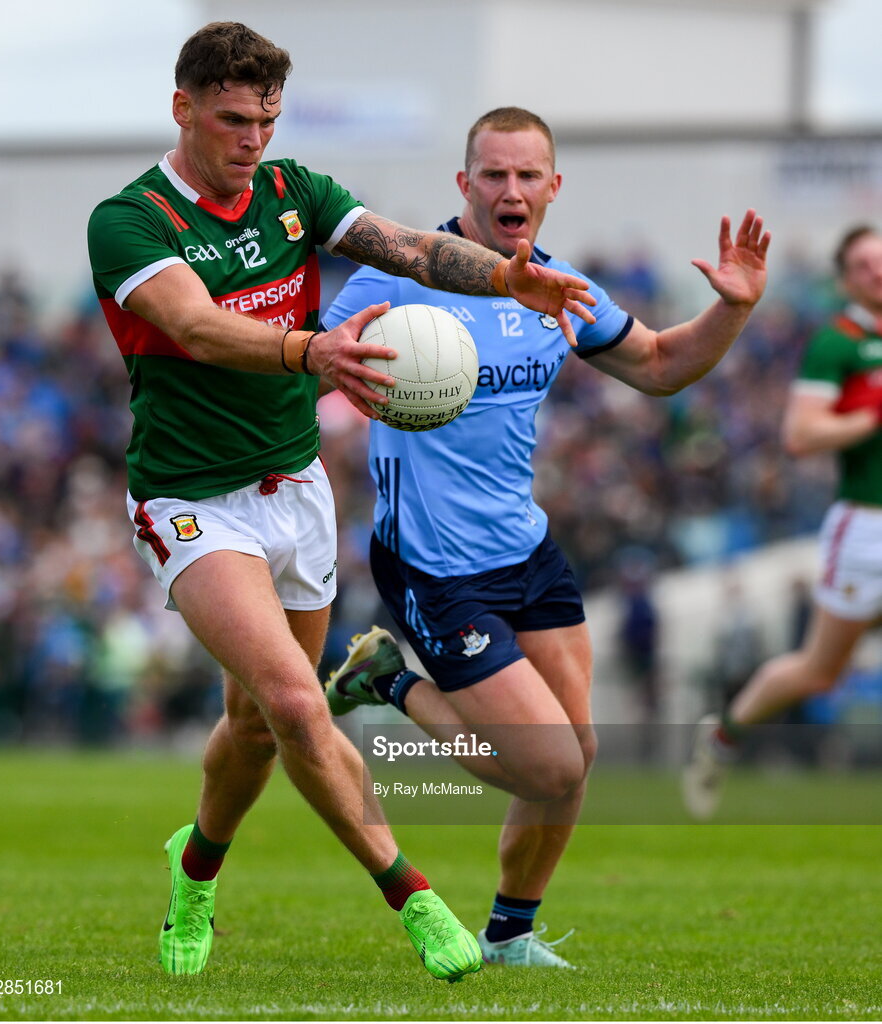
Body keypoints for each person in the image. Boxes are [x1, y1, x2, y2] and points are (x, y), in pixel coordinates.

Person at [87, 24, 600, 980]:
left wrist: (503, 276)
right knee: (291, 699)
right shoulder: (131, 219)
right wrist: (308, 349)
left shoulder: (295, 194)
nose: (253, 140)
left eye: (267, 120)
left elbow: (405, 247)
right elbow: (195, 326)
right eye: (234, 119)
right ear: (183, 108)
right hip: (194, 500)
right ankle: (416, 900)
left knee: (251, 724)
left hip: (297, 491)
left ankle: (193, 868)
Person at [321, 107, 770, 965]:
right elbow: (306, 374)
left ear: (554, 187)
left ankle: (509, 937)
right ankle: (386, 679)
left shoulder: (557, 287)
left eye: (528, 175)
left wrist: (733, 309)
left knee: (579, 751)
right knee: (549, 767)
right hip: (434, 564)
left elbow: (663, 365)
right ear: (464, 185)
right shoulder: (398, 280)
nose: (511, 190)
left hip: (525, 550)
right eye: (493, 173)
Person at [682, 224, 882, 820]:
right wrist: (868, 416)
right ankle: (723, 735)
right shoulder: (838, 344)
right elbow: (800, 435)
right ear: (845, 278)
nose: (877, 272)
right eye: (865, 265)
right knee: (820, 671)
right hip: (866, 526)